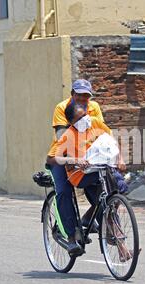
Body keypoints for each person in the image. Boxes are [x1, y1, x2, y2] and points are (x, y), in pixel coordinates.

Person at [47, 104, 131, 260]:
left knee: (116, 192)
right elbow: (52, 158)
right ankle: (73, 236)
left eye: (85, 115)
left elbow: (111, 141)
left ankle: (121, 247)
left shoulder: (95, 123)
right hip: (80, 175)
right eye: (79, 118)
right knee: (68, 195)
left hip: (99, 168)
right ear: (71, 121)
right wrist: (74, 160)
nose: (84, 119)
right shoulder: (68, 135)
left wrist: (120, 159)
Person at [46, 79, 105, 254]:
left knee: (106, 187)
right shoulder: (61, 108)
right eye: (78, 95)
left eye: (86, 96)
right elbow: (62, 137)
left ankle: (89, 219)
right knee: (64, 191)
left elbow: (99, 131)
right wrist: (74, 161)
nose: (82, 99)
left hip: (86, 155)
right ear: (72, 94)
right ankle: (71, 238)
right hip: (62, 155)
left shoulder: (94, 107)